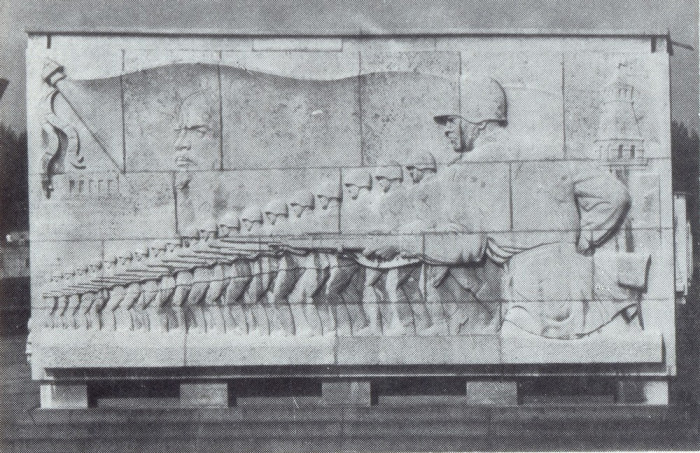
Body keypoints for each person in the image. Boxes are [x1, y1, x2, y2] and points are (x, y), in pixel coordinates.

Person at [431, 75, 632, 338]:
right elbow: (616, 196)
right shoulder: (551, 151)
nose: (446, 129)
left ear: (478, 120)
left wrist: (402, 242)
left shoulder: (467, 169)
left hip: (535, 297)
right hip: (587, 286)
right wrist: (583, 240)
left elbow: (466, 245)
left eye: (451, 120)